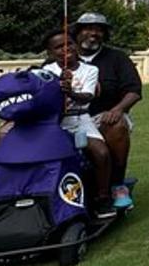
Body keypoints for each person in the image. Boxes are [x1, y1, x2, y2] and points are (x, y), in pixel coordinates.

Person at [41, 31, 114, 218]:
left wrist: (71, 92)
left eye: (69, 44)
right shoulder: (45, 72)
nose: (66, 49)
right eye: (59, 47)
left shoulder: (90, 69)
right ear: (50, 52)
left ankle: (103, 197)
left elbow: (87, 97)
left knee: (101, 152)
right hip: (54, 122)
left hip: (80, 119)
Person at [73, 13, 140, 210]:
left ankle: (117, 185)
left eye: (99, 29)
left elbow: (134, 90)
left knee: (116, 126)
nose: (93, 33)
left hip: (103, 115)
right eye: (87, 28)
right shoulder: (64, 58)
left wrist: (118, 109)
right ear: (77, 32)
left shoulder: (116, 58)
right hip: (68, 117)